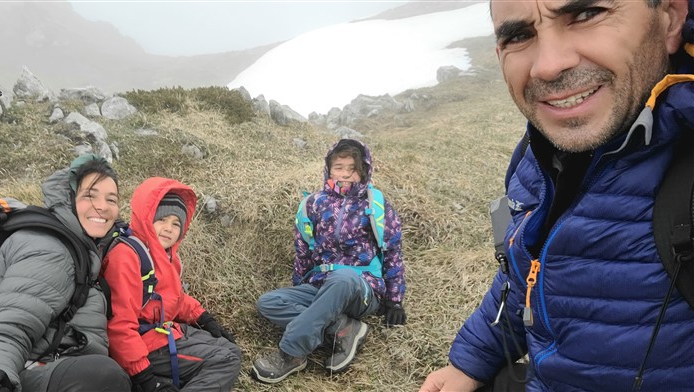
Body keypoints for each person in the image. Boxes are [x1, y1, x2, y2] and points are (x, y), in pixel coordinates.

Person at [421, 1, 694, 391]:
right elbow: (528, 273)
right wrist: (471, 363)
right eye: (519, 35)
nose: (548, 65)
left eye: (586, 14)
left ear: (670, 16)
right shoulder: (540, 153)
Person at [252, 139, 407, 383]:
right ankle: (344, 329)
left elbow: (392, 250)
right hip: (321, 285)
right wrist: (298, 286)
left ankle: (291, 353)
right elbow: (303, 250)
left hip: (360, 288)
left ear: (364, 170)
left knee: (343, 278)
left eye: (352, 168)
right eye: (339, 166)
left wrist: (395, 301)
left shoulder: (375, 204)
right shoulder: (313, 204)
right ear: (328, 169)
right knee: (268, 303)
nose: (345, 174)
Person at [0, 154, 131, 392]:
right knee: (105, 377)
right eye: (90, 195)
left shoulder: (83, 249)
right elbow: (6, 330)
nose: (103, 206)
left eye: (111, 199)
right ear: (68, 198)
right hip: (26, 372)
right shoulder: (50, 249)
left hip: (57, 367)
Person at [102, 177, 242, 392]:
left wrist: (203, 317)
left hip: (161, 331)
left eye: (176, 223)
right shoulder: (127, 256)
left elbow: (172, 296)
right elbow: (119, 326)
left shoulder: (164, 255)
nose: (169, 228)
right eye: (162, 219)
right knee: (224, 361)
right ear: (147, 219)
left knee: (231, 350)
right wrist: (145, 377)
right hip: (143, 343)